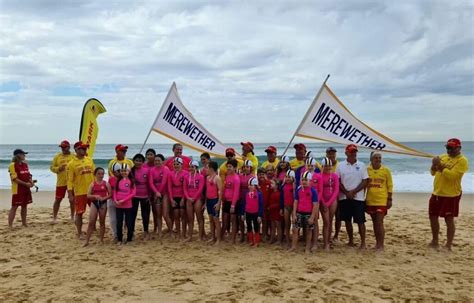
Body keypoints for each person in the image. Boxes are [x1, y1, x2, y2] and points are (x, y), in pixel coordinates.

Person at [429, 138, 469, 251]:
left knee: (448, 219)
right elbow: (432, 173)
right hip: (437, 192)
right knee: (432, 216)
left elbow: (453, 176)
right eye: (447, 147)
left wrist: (440, 166)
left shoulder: (462, 160)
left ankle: (448, 245)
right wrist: (433, 165)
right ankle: (435, 241)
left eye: (451, 148)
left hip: (451, 194)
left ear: (459, 148)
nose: (449, 150)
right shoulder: (442, 157)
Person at [336, 144, 368, 249]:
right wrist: (346, 192)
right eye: (351, 151)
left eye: (354, 151)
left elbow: (365, 181)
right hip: (344, 197)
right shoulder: (340, 165)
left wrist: (353, 192)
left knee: (360, 221)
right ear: (346, 153)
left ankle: (363, 243)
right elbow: (338, 181)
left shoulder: (362, 165)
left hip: (358, 197)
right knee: (347, 220)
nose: (353, 153)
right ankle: (351, 241)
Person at [67, 141, 95, 239]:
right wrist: (70, 194)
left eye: (85, 148)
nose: (84, 150)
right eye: (82, 148)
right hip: (80, 192)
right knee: (79, 213)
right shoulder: (71, 164)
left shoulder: (89, 160)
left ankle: (93, 228)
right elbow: (69, 180)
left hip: (92, 191)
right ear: (76, 150)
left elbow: (94, 175)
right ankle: (79, 233)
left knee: (95, 211)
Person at [366, 152, 393, 252]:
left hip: (382, 200)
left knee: (379, 222)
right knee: (374, 222)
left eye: (379, 158)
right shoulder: (367, 170)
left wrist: (389, 199)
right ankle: (377, 243)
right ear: (371, 159)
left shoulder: (386, 170)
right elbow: (364, 185)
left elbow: (390, 185)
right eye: (376, 158)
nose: (378, 159)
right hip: (370, 200)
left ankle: (381, 245)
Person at [289, 171, 319, 253]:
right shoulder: (298, 190)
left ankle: (307, 248)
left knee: (308, 231)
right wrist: (294, 214)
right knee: (295, 230)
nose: (304, 181)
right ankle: (293, 246)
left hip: (308, 214)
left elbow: (315, 205)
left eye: (306, 180)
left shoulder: (313, 191)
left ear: (310, 181)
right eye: (302, 180)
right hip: (299, 212)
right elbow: (295, 202)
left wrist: (312, 217)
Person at [83, 167, 112, 247]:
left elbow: (110, 194)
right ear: (95, 174)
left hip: (103, 203)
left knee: (102, 222)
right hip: (94, 203)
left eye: (102, 173)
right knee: (91, 222)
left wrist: (103, 198)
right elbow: (88, 195)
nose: (101, 175)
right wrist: (95, 196)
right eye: (99, 173)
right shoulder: (92, 184)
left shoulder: (106, 183)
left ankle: (101, 240)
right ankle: (87, 241)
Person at [8, 149, 34, 228]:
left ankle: (24, 223)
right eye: (23, 154)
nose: (24, 156)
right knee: (14, 206)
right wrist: (26, 184)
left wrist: (31, 182)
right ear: (18, 155)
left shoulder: (25, 164)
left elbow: (28, 175)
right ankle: (10, 225)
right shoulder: (12, 165)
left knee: (24, 205)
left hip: (26, 188)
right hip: (18, 189)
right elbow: (14, 179)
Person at [50, 140, 75, 223]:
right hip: (61, 182)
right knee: (58, 199)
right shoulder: (57, 157)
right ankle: (54, 217)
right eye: (61, 147)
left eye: (64, 147)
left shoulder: (73, 156)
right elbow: (51, 168)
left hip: (72, 182)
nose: (63, 149)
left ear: (68, 147)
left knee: (72, 200)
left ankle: (72, 217)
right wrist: (58, 169)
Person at [319, 157, 340, 250]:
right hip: (323, 200)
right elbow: (320, 190)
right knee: (326, 222)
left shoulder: (334, 176)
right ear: (322, 166)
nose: (328, 167)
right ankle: (325, 243)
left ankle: (328, 240)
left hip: (332, 200)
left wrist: (329, 203)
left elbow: (336, 190)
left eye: (329, 166)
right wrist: (323, 203)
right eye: (326, 166)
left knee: (330, 221)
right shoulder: (319, 176)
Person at [149, 154, 171, 238]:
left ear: (162, 161)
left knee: (165, 214)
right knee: (158, 214)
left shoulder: (166, 169)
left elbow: (164, 182)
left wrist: (159, 193)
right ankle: (160, 232)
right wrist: (156, 192)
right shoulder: (152, 170)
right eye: (155, 160)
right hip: (156, 194)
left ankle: (170, 231)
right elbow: (151, 182)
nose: (157, 162)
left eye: (158, 160)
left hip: (164, 193)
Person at [131, 153, 152, 240]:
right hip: (134, 196)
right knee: (133, 214)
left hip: (145, 196)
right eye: (136, 160)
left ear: (143, 162)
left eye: (140, 161)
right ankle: (131, 231)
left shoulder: (147, 170)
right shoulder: (131, 171)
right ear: (133, 161)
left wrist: (150, 196)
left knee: (145, 215)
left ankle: (146, 232)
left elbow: (150, 184)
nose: (138, 162)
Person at [113, 163, 136, 244]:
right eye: (122, 171)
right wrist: (115, 200)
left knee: (128, 222)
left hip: (128, 205)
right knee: (119, 222)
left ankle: (129, 239)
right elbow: (115, 191)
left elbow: (133, 193)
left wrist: (124, 200)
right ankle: (119, 239)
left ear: (129, 171)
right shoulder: (118, 180)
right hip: (118, 205)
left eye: (125, 171)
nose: (123, 172)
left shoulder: (131, 181)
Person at [168, 157, 189, 239]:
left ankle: (183, 233)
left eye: (178, 164)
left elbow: (185, 188)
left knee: (183, 215)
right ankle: (178, 232)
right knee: (176, 215)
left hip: (182, 196)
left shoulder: (185, 173)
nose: (176, 166)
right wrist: (171, 199)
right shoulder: (170, 173)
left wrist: (183, 199)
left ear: (182, 165)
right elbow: (169, 187)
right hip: (174, 196)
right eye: (175, 164)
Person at [184, 160, 205, 241]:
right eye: (189, 167)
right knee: (190, 218)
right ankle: (190, 236)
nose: (190, 168)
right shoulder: (186, 176)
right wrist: (188, 198)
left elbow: (200, 189)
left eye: (192, 167)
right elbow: (184, 189)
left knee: (199, 217)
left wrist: (194, 198)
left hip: (197, 198)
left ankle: (200, 237)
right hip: (189, 198)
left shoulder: (201, 177)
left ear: (196, 167)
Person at [221, 159, 240, 243]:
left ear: (235, 168)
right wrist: (223, 199)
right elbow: (225, 189)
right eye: (227, 166)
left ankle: (233, 239)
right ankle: (221, 237)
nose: (228, 168)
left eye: (230, 167)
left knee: (233, 221)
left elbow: (236, 192)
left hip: (233, 202)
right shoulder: (227, 176)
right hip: (226, 201)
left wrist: (233, 205)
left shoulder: (236, 178)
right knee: (225, 220)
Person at [242, 177, 263, 247]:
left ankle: (257, 242)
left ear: (255, 186)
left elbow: (260, 205)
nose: (249, 186)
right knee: (249, 226)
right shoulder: (246, 194)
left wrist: (260, 215)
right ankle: (251, 241)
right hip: (248, 212)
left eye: (251, 185)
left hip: (256, 213)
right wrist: (243, 213)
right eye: (249, 185)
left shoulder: (259, 194)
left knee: (256, 227)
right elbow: (244, 204)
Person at [205, 161, 223, 245]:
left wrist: (219, 203)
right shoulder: (207, 178)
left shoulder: (217, 178)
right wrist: (205, 202)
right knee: (211, 220)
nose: (206, 169)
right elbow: (207, 191)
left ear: (211, 169)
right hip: (208, 201)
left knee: (216, 220)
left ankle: (218, 239)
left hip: (214, 201)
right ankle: (213, 237)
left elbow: (221, 191)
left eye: (207, 168)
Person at [238, 160, 255, 242]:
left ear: (250, 168)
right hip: (241, 198)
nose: (245, 168)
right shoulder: (240, 176)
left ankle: (250, 235)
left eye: (247, 167)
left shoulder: (253, 177)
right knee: (240, 218)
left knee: (250, 218)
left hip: (250, 198)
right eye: (244, 167)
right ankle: (242, 234)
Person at [145, 149, 160, 234]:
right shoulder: (143, 166)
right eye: (148, 154)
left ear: (154, 156)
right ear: (146, 156)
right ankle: (146, 229)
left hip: (155, 191)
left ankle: (156, 228)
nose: (150, 156)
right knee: (146, 212)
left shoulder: (157, 165)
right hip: (146, 192)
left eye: (151, 154)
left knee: (156, 211)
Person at [279, 170, 295, 247]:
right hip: (286, 206)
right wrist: (281, 208)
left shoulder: (295, 186)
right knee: (287, 223)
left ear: (293, 178)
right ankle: (287, 239)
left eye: (289, 177)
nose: (288, 179)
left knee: (294, 224)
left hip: (294, 207)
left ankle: (294, 240)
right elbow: (281, 198)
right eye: (286, 177)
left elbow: (296, 198)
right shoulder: (283, 186)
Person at [107, 162, 121, 242]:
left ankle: (120, 234)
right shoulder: (111, 179)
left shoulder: (124, 179)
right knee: (113, 219)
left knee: (121, 219)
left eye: (119, 171)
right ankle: (115, 235)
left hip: (121, 202)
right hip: (112, 200)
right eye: (117, 171)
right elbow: (109, 190)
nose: (118, 173)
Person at [267, 179, 282, 244]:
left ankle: (279, 240)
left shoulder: (278, 193)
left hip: (276, 211)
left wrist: (271, 207)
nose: (271, 185)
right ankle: (272, 239)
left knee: (278, 225)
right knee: (272, 225)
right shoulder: (272, 192)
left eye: (272, 184)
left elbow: (279, 203)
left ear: (276, 186)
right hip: (272, 211)